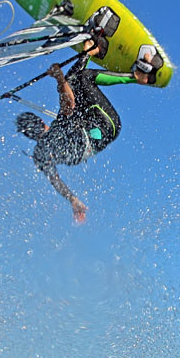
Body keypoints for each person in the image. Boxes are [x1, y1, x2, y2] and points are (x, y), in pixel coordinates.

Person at [17, 40, 162, 222]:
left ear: (28, 135)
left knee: (71, 82)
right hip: (105, 124)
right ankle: (140, 75)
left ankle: (89, 51)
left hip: (100, 132)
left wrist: (73, 200)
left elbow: (56, 181)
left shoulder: (41, 154)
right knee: (82, 78)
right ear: (39, 121)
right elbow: (68, 103)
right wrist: (59, 78)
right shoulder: (55, 131)